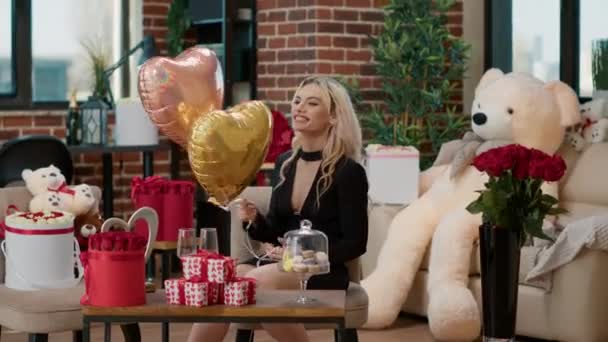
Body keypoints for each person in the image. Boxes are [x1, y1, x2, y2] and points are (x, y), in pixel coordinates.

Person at [187, 75, 369, 342]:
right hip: (278, 264)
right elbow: (275, 229)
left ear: (333, 117)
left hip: (322, 270)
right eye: (297, 101)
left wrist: (301, 255)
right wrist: (255, 221)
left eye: (312, 103)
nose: (299, 108)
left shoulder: (348, 172)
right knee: (221, 284)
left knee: (256, 283)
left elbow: (356, 243)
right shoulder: (286, 164)